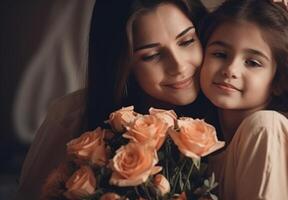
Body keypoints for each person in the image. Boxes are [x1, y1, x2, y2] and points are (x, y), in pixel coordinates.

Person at [15, 1, 208, 199]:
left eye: (187, 41)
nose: (179, 66)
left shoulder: (232, 113)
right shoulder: (71, 116)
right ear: (122, 63)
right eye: (152, 55)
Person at [199, 0, 288, 199]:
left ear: (278, 81)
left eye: (252, 62)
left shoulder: (264, 128)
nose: (231, 69)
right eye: (220, 54)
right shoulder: (206, 154)